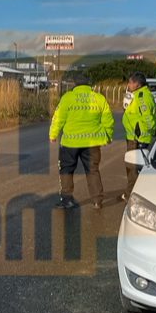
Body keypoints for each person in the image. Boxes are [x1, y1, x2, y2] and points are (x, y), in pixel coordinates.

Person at [49, 72, 114, 210]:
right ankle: (97, 201)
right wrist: (108, 136)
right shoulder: (99, 98)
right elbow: (108, 120)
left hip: (70, 144)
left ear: (74, 84)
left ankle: (67, 200)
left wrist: (53, 134)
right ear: (89, 84)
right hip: (92, 143)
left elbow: (58, 118)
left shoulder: (68, 98)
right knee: (93, 171)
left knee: (66, 170)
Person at [120, 72, 156, 201]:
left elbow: (147, 119)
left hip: (138, 139)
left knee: (134, 168)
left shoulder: (141, 97)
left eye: (130, 82)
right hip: (133, 137)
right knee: (132, 167)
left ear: (136, 84)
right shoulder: (136, 95)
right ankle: (130, 192)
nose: (128, 85)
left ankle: (131, 194)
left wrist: (143, 133)